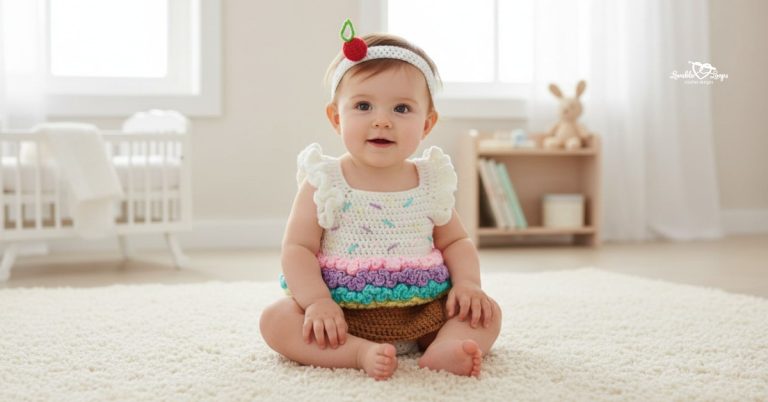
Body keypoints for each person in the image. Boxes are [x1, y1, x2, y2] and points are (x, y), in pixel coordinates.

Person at [260, 19, 501, 381]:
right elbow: (297, 248)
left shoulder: (429, 181)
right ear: (335, 118)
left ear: (427, 124)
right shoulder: (324, 181)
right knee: (276, 321)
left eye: (401, 109)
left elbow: (455, 241)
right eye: (363, 106)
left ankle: (442, 348)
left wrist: (468, 285)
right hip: (340, 315)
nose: (382, 121)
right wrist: (318, 302)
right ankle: (358, 352)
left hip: (423, 312)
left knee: (487, 314)